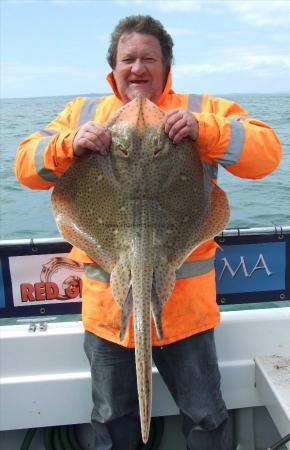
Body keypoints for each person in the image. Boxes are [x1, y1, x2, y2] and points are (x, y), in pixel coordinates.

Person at [15, 15, 282, 450]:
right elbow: (25, 164)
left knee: (205, 415)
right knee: (111, 418)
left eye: (148, 58)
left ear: (166, 65)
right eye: (128, 59)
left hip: (188, 313)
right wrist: (70, 144)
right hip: (108, 312)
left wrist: (204, 131)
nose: (137, 68)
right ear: (113, 68)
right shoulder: (81, 114)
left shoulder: (202, 109)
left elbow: (267, 153)